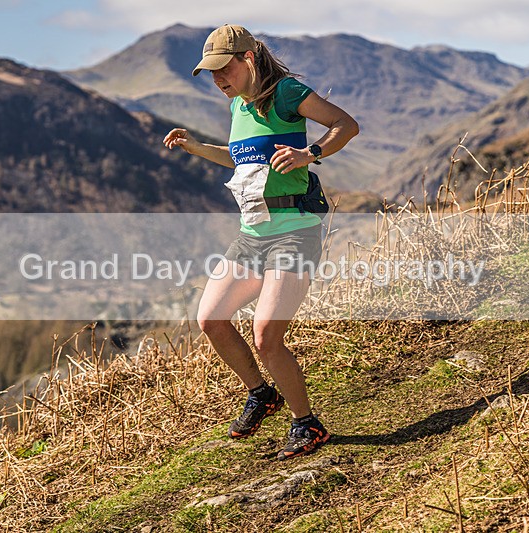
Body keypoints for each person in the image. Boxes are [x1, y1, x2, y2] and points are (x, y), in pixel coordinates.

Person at [163, 24, 359, 460]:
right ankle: (261, 393)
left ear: (248, 59)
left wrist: (310, 154)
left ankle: (307, 424)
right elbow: (242, 160)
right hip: (252, 235)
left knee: (267, 335)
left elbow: (346, 124)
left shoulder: (286, 93)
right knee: (211, 319)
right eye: (211, 73)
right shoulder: (238, 104)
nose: (218, 79)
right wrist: (197, 147)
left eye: (223, 68)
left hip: (295, 231)